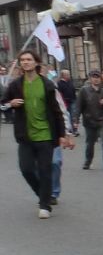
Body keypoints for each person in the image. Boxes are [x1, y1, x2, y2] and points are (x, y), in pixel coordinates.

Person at [2, 48, 75, 217]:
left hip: (45, 134)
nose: (25, 62)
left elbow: (57, 111)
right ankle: (43, 194)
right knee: (26, 169)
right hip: (25, 135)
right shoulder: (16, 85)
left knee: (45, 169)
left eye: (29, 59)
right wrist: (11, 103)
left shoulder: (47, 85)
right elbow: (3, 103)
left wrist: (63, 134)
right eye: (23, 60)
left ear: (36, 63)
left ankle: (44, 206)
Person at [76, 69, 103, 171]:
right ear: (90, 78)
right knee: (90, 143)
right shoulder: (84, 91)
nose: (96, 79)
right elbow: (79, 106)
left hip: (102, 120)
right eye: (94, 77)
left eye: (98, 77)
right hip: (89, 121)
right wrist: (75, 120)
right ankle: (88, 161)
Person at [56, 67, 77, 132]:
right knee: (67, 116)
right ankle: (69, 129)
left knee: (73, 115)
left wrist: (75, 98)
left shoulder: (70, 82)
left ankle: (74, 129)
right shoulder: (59, 83)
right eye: (67, 74)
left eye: (69, 74)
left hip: (72, 100)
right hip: (65, 102)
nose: (69, 75)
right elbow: (59, 94)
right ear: (63, 75)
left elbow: (73, 90)